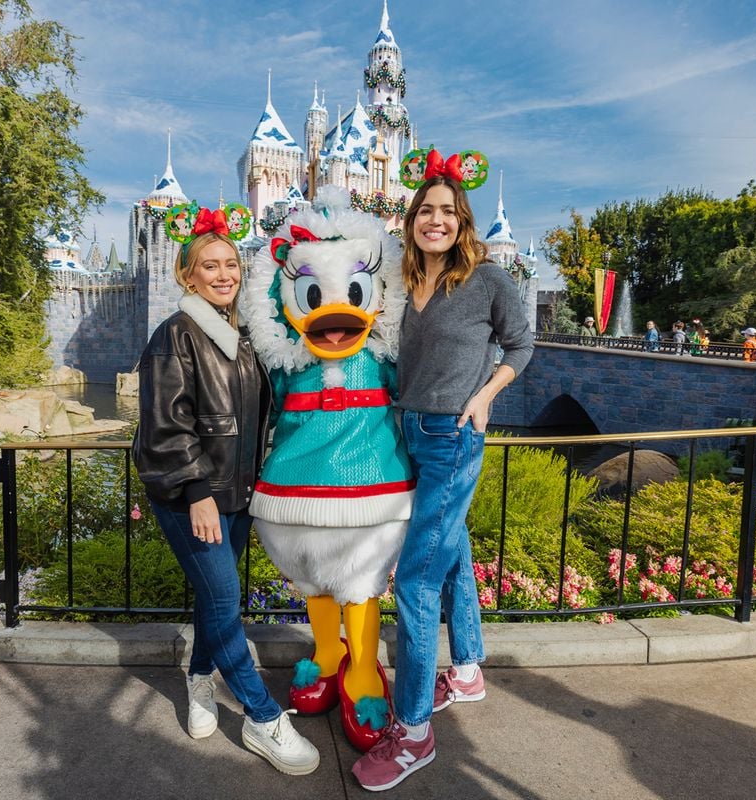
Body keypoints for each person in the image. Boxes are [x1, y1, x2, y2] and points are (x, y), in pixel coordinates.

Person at [352, 151, 533, 792]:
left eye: (448, 212)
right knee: (451, 548)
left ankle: (415, 733)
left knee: (417, 579)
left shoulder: (485, 279)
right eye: (426, 210)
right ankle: (469, 668)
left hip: (455, 435)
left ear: (463, 222)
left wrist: (485, 397)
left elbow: (521, 343)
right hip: (411, 432)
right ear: (411, 219)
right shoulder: (405, 284)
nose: (436, 220)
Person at [132, 206, 320, 776]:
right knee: (223, 603)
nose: (223, 274)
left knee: (215, 600)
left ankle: (197, 680)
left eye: (231, 265)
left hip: (236, 493)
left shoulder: (239, 337)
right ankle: (263, 720)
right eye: (209, 266)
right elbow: (166, 426)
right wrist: (196, 492)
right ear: (187, 276)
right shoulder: (176, 335)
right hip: (194, 499)